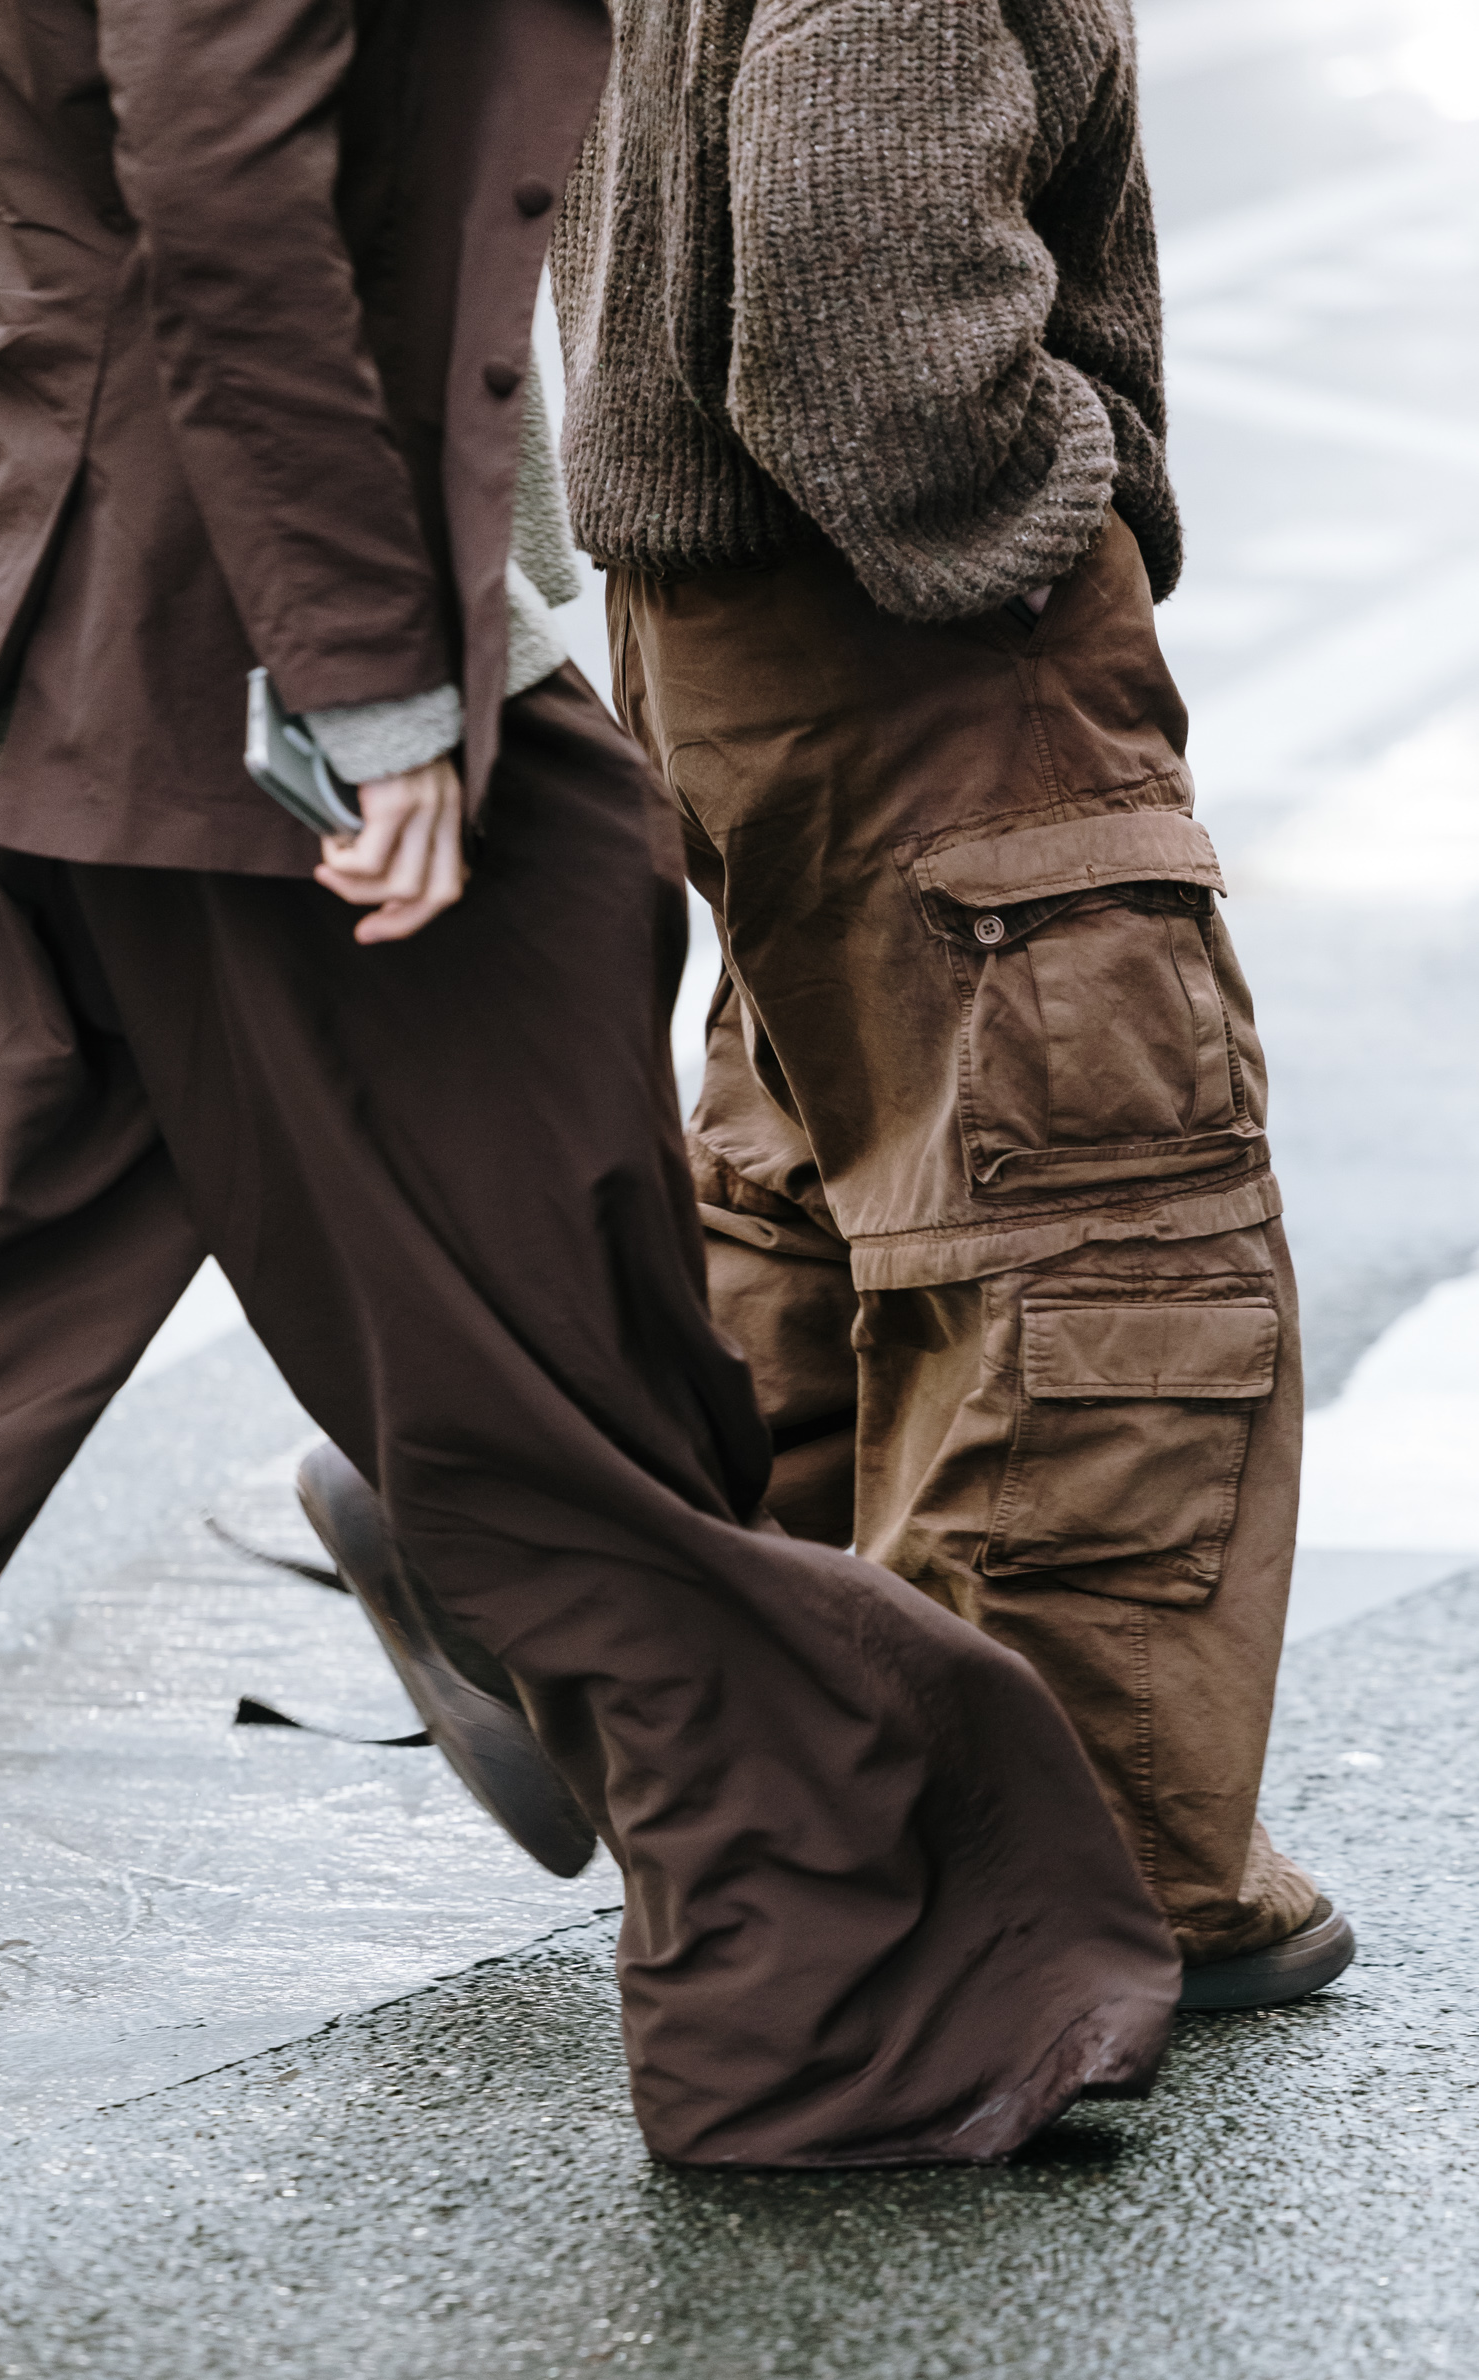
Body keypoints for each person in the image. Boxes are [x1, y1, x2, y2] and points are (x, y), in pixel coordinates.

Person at [0, 0, 1180, 2168]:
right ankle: (835, 2013)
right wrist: (370, 686)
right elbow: (229, 186)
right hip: (255, 665)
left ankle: (828, 1991)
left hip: (113, 623)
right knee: (568, 1403)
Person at [547, 0, 1353, 2011]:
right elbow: (851, 302)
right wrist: (1043, 500)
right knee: (1086, 1222)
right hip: (906, 612)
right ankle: (1059, 1873)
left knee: (834, 1195)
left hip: (729, 607)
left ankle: (782, 1799)